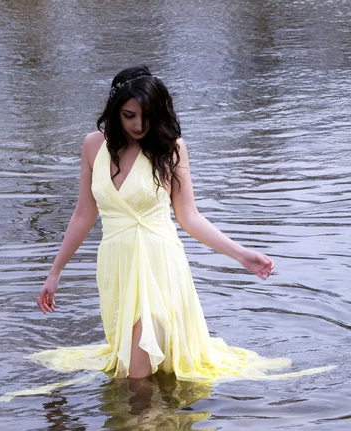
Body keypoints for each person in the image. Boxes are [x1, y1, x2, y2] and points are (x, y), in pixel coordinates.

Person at [33, 65, 328, 384]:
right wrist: (55, 271)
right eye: (129, 115)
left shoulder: (170, 149)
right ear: (116, 111)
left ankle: (143, 429)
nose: (138, 124)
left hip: (159, 265)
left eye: (145, 115)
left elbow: (190, 217)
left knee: (134, 376)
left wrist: (241, 255)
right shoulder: (93, 147)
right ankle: (144, 424)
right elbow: (83, 214)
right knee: (131, 369)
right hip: (116, 266)